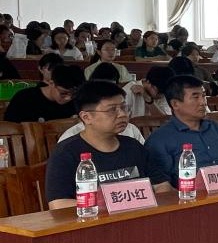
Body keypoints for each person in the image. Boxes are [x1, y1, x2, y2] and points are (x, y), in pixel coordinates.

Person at [45, 81, 153, 209]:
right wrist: (106, 204)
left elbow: (159, 187)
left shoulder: (133, 146)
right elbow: (58, 204)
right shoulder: (65, 153)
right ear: (86, 117)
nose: (123, 114)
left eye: (124, 108)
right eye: (112, 110)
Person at [145, 75, 218, 191]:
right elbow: (162, 188)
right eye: (195, 97)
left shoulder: (216, 128)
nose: (203, 102)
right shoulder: (159, 140)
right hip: (189, 199)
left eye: (204, 96)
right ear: (175, 104)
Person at [4, 64, 84, 122]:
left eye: (73, 94)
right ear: (51, 83)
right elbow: (9, 128)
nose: (68, 98)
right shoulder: (25, 98)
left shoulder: (78, 102)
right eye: (63, 93)